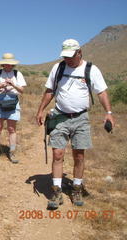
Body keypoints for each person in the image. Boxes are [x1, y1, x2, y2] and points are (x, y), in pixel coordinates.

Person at [36, 39, 115, 209]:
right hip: (59, 116)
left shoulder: (91, 70)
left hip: (81, 118)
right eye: (65, 56)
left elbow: (101, 92)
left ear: (80, 52)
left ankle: (76, 188)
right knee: (57, 154)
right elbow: (50, 90)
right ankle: (56, 192)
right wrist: (40, 110)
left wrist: (108, 113)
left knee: (79, 155)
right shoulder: (58, 68)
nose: (68, 60)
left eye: (71, 56)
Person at [0, 53, 27, 164]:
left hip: (13, 102)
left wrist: (13, 85)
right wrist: (1, 85)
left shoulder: (17, 74)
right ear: (3, 64)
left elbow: (22, 90)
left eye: (11, 64)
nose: (9, 66)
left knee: (11, 129)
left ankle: (12, 152)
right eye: (7, 64)